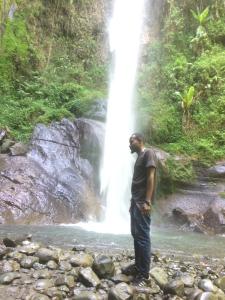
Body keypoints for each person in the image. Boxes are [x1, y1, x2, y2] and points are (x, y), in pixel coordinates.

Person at [129, 133, 157, 286]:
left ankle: (144, 274)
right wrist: (132, 202)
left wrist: (147, 200)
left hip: (142, 203)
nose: (129, 144)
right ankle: (138, 266)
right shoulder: (139, 157)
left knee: (143, 237)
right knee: (136, 234)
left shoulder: (148, 153)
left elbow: (150, 177)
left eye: (131, 141)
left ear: (139, 140)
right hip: (136, 202)